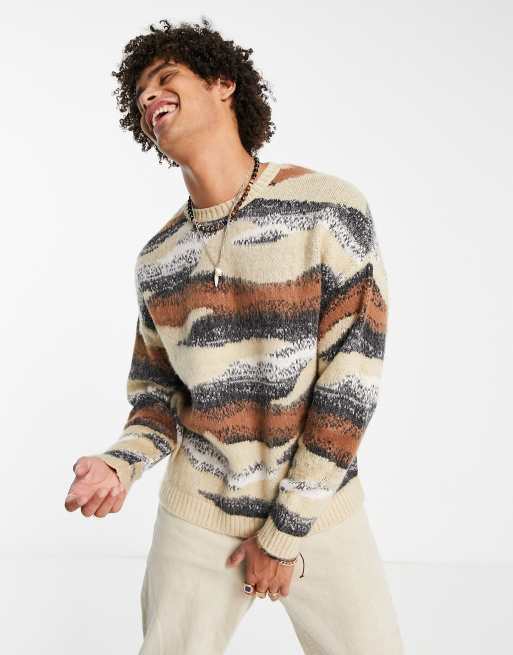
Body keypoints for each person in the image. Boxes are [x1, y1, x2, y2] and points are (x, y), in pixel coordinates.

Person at [64, 16, 404, 655]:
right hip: (198, 515)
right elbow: (158, 400)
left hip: (319, 511)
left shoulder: (328, 208)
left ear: (223, 84)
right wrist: (120, 463)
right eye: (139, 94)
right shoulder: (159, 258)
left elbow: (351, 384)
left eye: (165, 78)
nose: (149, 97)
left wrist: (284, 534)